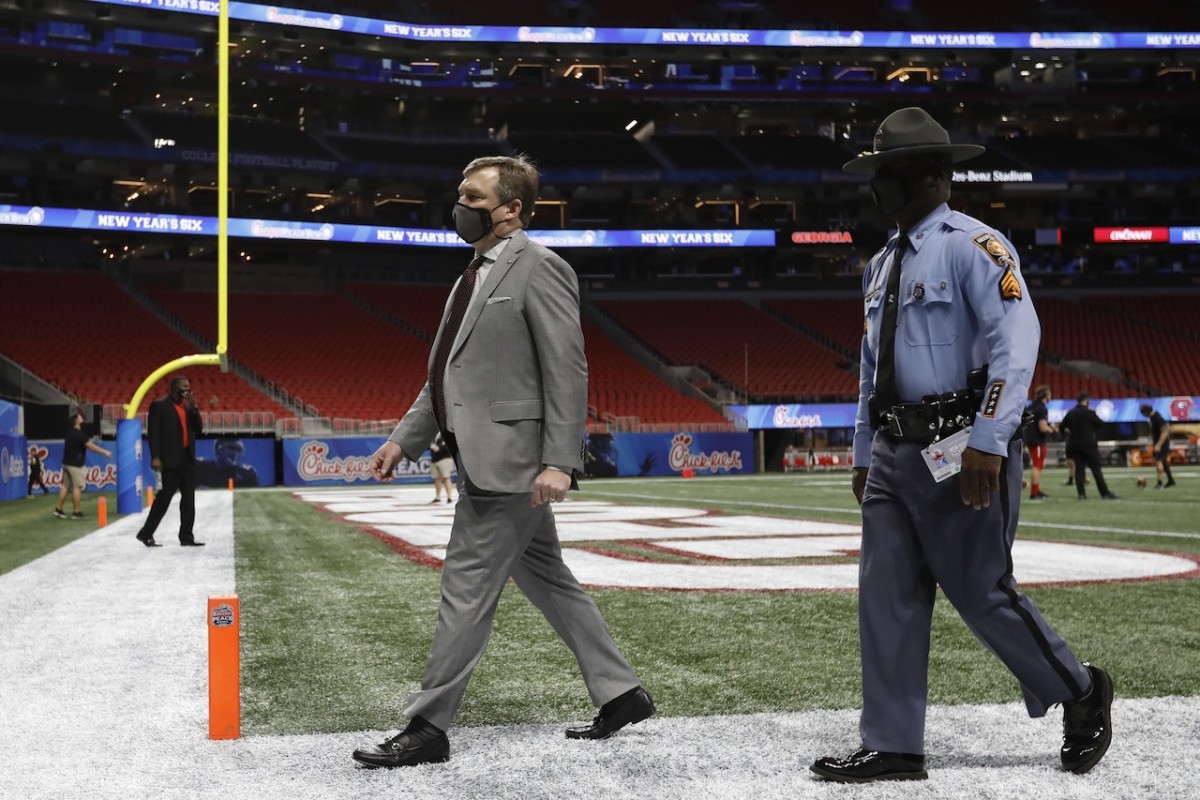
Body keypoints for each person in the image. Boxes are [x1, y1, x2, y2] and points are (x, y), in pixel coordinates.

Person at [811, 108, 1112, 783]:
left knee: (982, 594)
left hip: (960, 448)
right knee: (884, 596)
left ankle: (1081, 687)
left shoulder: (976, 246)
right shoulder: (882, 264)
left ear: (929, 178)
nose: (875, 186)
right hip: (893, 452)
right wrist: (863, 453)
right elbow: (870, 369)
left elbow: (1016, 344)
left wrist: (990, 439)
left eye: (885, 172)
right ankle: (892, 744)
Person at [352, 155, 652, 769]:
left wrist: (560, 461)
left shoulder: (541, 267)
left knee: (464, 592)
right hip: (493, 461)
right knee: (550, 580)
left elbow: (566, 369)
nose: (459, 204)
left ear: (511, 209)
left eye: (472, 194)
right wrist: (402, 440)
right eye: (459, 192)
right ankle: (621, 693)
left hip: (512, 465)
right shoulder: (473, 273)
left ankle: (428, 725)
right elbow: (446, 377)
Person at [135, 376, 205, 547]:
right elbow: (154, 434)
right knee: (164, 498)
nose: (187, 389)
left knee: (189, 500)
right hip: (170, 459)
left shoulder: (188, 406)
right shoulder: (160, 405)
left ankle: (186, 536)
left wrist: (195, 408)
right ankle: (146, 533)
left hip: (187, 458)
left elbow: (199, 429)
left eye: (188, 386)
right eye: (184, 386)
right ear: (174, 388)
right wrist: (156, 456)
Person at [1059, 392, 1117, 501]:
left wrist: (1069, 435)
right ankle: (1105, 493)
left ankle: (1081, 495)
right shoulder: (1089, 412)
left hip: (1075, 446)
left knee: (1079, 471)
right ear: (1086, 400)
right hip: (1089, 446)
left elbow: (1061, 427)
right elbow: (1101, 424)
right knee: (1096, 470)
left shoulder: (1070, 413)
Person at [53, 410, 111, 519]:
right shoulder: (79, 434)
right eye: (79, 417)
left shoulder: (69, 432)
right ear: (76, 421)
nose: (81, 418)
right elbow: (91, 447)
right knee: (77, 487)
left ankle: (58, 509)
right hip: (75, 464)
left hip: (66, 462)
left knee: (66, 486)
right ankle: (76, 512)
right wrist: (105, 452)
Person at [1023, 385, 1056, 499]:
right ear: (1046, 395)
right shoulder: (1042, 408)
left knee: (1038, 465)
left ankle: (1036, 490)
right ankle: (1034, 492)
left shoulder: (1031, 406)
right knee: (1037, 465)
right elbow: (1042, 427)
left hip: (1030, 438)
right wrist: (1052, 429)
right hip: (1037, 440)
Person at [195, 437, 260, 488]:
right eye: (231, 448)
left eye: (238, 449)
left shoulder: (247, 475)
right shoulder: (200, 468)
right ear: (218, 450)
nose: (235, 453)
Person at [1140, 403, 1176, 489]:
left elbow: (1164, 432)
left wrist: (1159, 445)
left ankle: (1160, 483)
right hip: (1159, 442)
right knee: (1163, 462)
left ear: (1146, 413)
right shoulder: (1154, 417)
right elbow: (1166, 426)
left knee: (1158, 461)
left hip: (1161, 443)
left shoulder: (1157, 418)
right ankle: (1171, 480)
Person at [426, 432, 456, 503]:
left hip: (444, 458)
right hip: (434, 459)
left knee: (446, 477)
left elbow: (450, 444)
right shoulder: (432, 436)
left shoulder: (446, 433)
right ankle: (437, 497)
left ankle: (449, 497)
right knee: (437, 479)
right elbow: (428, 445)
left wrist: (440, 448)